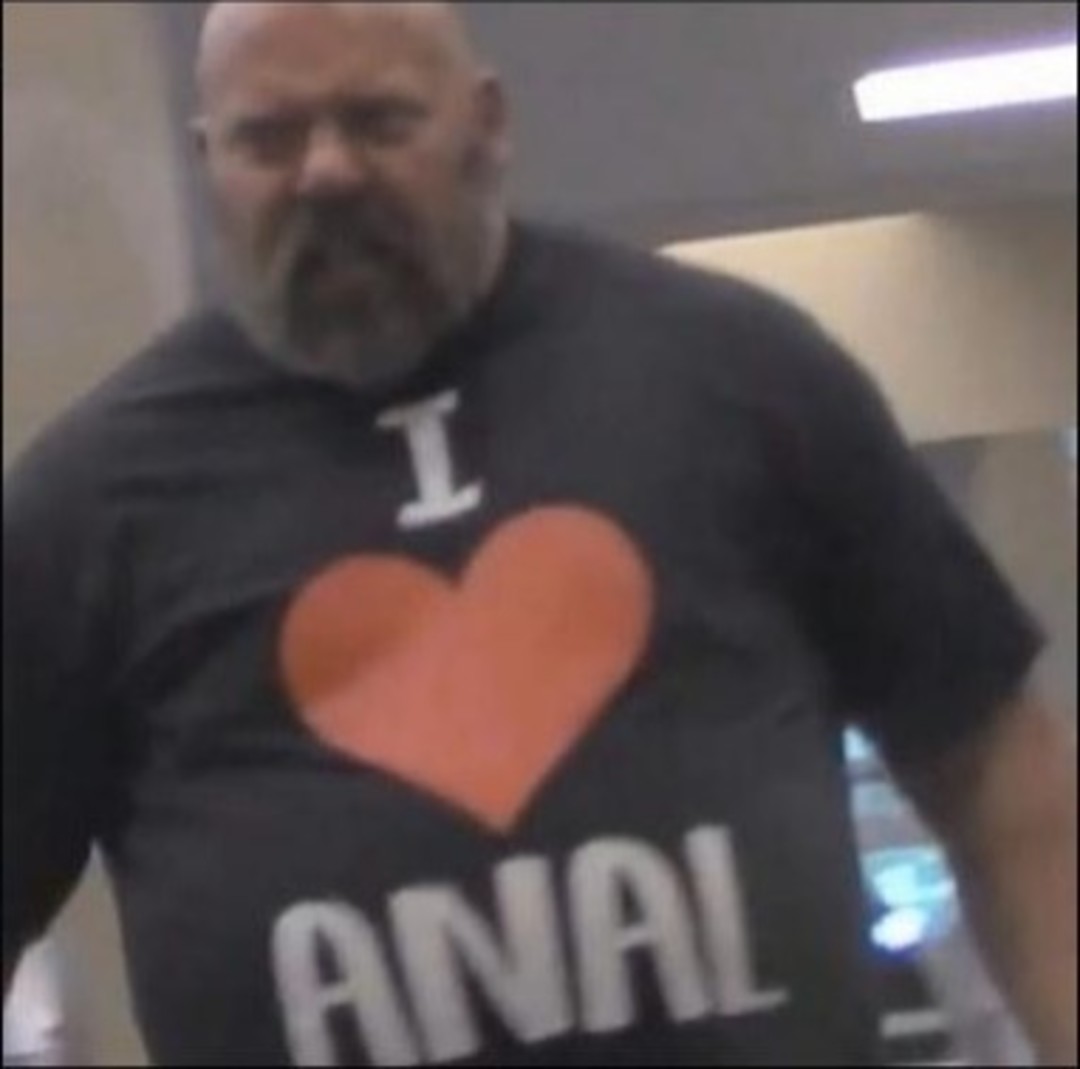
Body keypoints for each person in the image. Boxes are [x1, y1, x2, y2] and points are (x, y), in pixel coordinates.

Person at [3, 3, 1076, 1066]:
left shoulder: (739, 379)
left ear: (487, 123)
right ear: (209, 161)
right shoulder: (95, 505)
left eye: (378, 120)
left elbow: (1003, 779)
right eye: (269, 138)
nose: (325, 172)